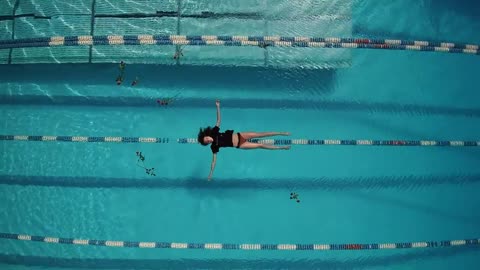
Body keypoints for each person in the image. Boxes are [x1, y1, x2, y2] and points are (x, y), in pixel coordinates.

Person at [197, 100, 290, 180]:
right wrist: (211, 174)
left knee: (261, 134)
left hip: (241, 135)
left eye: (207, 138)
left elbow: (218, 120)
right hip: (240, 145)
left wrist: (217, 106)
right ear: (207, 144)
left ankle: (281, 133)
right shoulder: (214, 146)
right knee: (260, 145)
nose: (209, 140)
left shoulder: (214, 132)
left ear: (207, 135)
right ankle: (282, 147)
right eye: (207, 142)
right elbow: (214, 161)